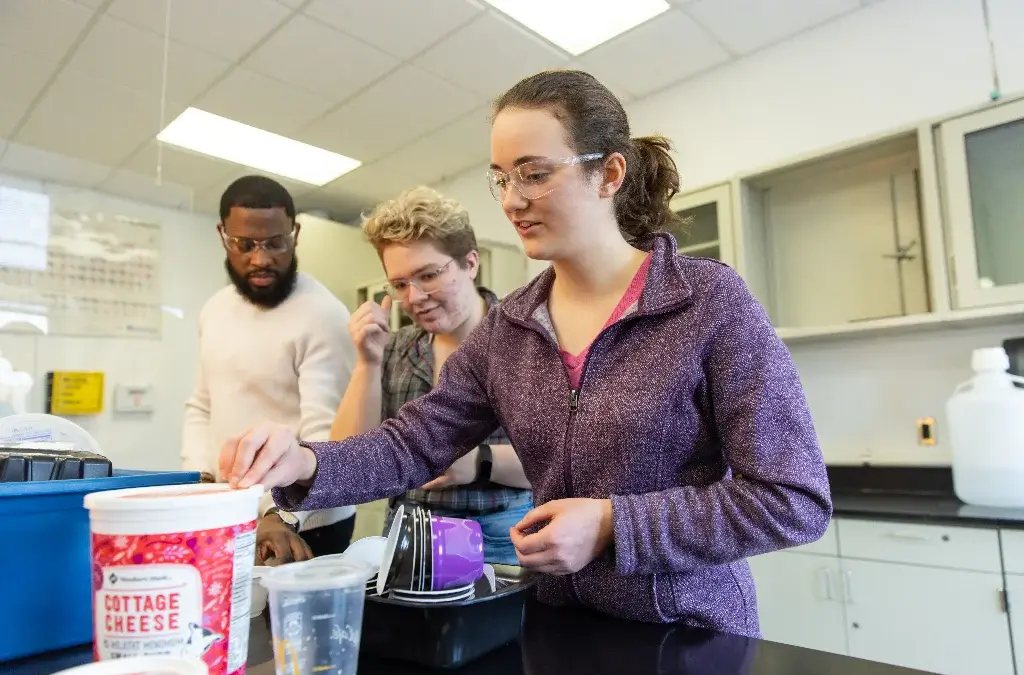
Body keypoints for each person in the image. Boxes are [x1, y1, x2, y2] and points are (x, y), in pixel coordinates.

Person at [218, 70, 832, 636]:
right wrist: (304, 464)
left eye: (535, 174)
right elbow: (410, 445)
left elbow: (791, 499)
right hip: (555, 627)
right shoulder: (510, 328)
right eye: (502, 178)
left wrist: (614, 525)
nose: (511, 201)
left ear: (609, 174)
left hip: (688, 637)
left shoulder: (707, 301)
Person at [329, 186, 532, 565]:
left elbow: (562, 459)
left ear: (470, 263)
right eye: (400, 284)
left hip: (505, 532)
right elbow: (348, 464)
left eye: (428, 275)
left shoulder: (528, 338)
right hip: (411, 532)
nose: (414, 297)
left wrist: (478, 462)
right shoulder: (393, 348)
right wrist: (367, 363)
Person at [181, 174, 358, 565]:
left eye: (276, 243)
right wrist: (200, 484)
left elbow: (327, 436)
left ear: (295, 234)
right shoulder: (215, 309)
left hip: (306, 518)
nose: (261, 259)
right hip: (230, 511)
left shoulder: (323, 315)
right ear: (222, 235)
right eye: (245, 245)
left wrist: (278, 514)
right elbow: (202, 406)